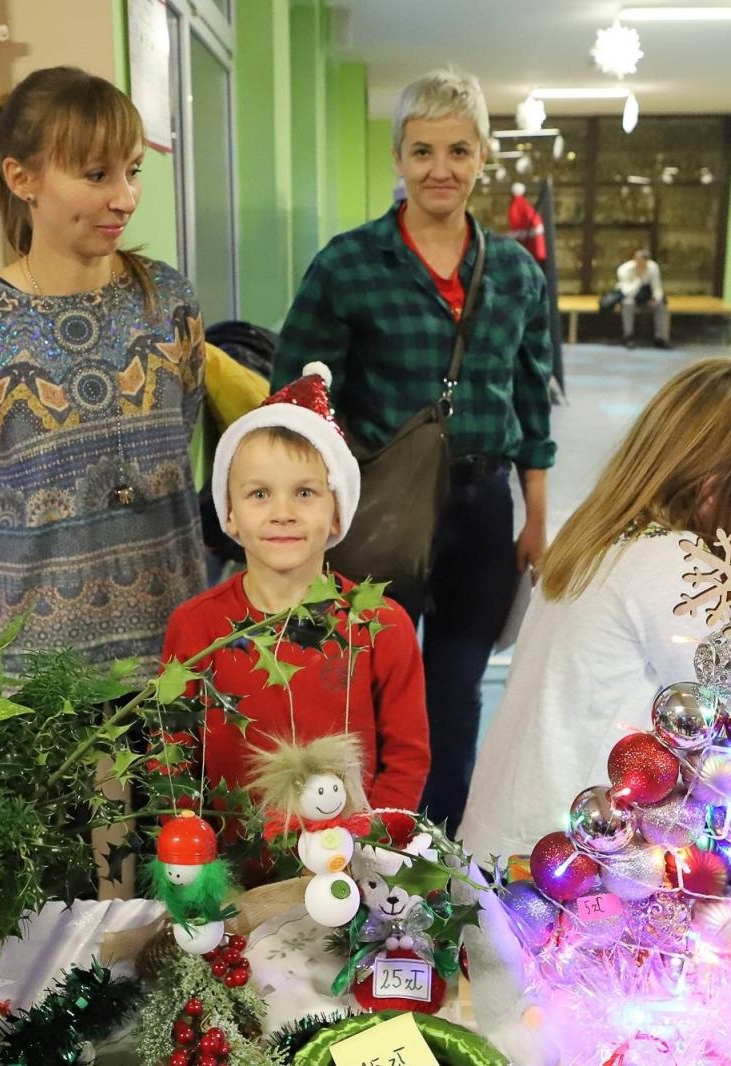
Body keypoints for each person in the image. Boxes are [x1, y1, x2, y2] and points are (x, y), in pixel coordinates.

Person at [273, 68, 554, 833]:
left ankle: (434, 841)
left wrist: (537, 517)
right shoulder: (349, 265)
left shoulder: (519, 276)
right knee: (366, 683)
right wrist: (307, 508)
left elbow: (533, 400)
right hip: (380, 507)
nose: (441, 169)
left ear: (484, 157)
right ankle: (360, 834)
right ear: (398, 156)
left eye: (458, 150)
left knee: (457, 689)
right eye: (423, 150)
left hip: (481, 509)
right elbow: (297, 390)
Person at [458, 359, 731, 860]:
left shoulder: (602, 533)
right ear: (716, 488)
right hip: (568, 863)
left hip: (507, 839)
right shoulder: (675, 563)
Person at [0, 67, 207, 674]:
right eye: (96, 174)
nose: (125, 197)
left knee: (182, 774)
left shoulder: (168, 299)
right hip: (38, 658)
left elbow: (180, 431)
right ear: (21, 178)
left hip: (175, 641)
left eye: (133, 170)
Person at [162, 364, 430, 809]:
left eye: (305, 493)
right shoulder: (195, 627)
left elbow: (408, 757)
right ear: (230, 513)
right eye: (259, 494)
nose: (282, 512)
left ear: (338, 511)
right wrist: (190, 846)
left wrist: (374, 842)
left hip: (348, 864)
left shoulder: (381, 625)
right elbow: (170, 756)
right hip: (227, 869)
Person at [617, 249, 670, 348]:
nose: (640, 263)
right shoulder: (624, 270)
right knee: (628, 304)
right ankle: (628, 336)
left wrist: (656, 299)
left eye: (643, 261)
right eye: (638, 260)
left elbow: (657, 288)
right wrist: (639, 278)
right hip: (631, 297)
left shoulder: (653, 267)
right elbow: (628, 292)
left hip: (646, 297)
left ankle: (660, 338)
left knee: (661, 305)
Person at [507, 181, 546, 264]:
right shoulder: (525, 205)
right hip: (535, 247)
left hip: (531, 247)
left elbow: (517, 226)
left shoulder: (516, 206)